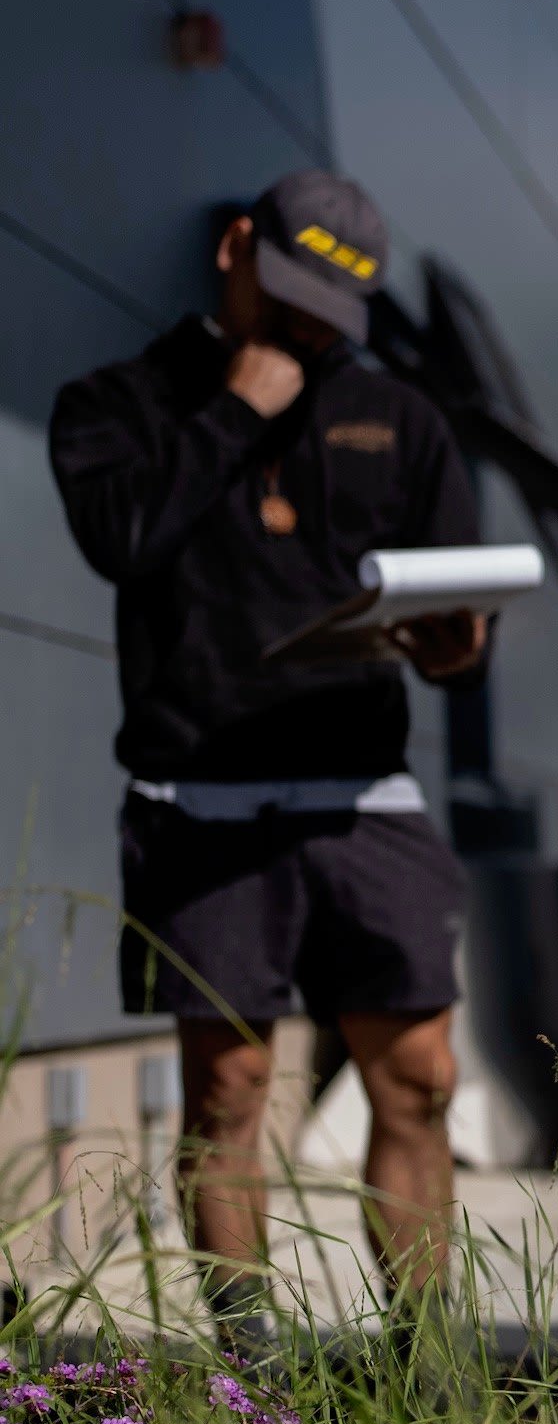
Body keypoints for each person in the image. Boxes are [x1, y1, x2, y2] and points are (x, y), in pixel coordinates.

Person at [50, 171, 490, 1334]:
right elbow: (122, 537)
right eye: (287, 288)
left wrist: (453, 649)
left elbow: (454, 616)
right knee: (231, 1087)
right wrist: (236, 409)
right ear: (237, 246)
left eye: (329, 309)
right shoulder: (119, 400)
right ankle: (252, 1363)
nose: (306, 324)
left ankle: (429, 1355)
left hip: (364, 792)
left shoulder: (401, 417)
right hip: (201, 793)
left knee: (420, 1081)